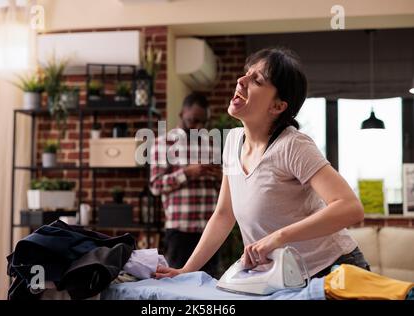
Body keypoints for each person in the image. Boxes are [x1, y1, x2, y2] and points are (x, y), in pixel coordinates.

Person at [154, 48, 369, 280]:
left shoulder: (293, 145)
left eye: (256, 80)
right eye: (247, 73)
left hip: (334, 270)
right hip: (285, 277)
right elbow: (224, 214)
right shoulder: (233, 142)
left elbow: (350, 208)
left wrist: (279, 237)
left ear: (277, 106)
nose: (241, 80)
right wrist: (185, 271)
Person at [149, 92, 222, 277]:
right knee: (177, 288)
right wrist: (187, 173)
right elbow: (156, 186)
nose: (197, 126)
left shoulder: (213, 145)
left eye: (202, 122)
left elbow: (225, 192)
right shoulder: (162, 144)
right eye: (192, 120)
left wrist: (220, 176)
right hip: (179, 231)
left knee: (210, 287)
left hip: (210, 231)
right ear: (182, 114)